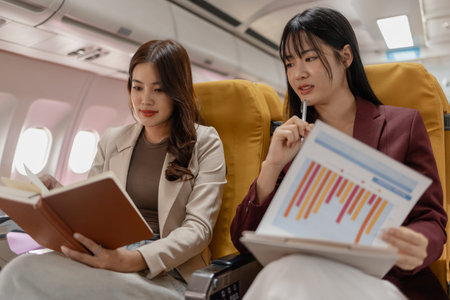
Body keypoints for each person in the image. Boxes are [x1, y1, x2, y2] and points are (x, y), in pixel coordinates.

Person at [230, 7, 447, 300]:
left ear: (345, 57)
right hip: (308, 273)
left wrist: (418, 244)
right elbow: (244, 241)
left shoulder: (402, 124)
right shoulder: (292, 140)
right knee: (284, 271)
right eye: (289, 63)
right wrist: (271, 166)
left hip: (385, 280)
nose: (298, 74)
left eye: (310, 58)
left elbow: (430, 217)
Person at [0, 39, 226, 299]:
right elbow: (93, 209)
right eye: (137, 87)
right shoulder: (113, 139)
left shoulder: (205, 142)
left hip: (167, 270)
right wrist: (54, 195)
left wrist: (132, 260)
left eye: (158, 89)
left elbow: (199, 230)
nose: (145, 100)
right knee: (21, 270)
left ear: (177, 91)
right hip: (108, 254)